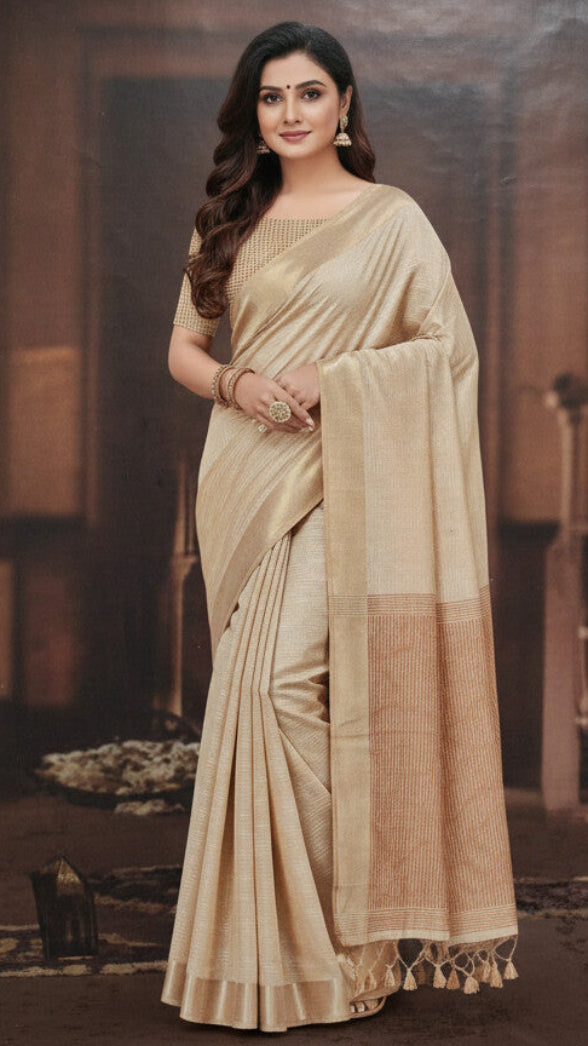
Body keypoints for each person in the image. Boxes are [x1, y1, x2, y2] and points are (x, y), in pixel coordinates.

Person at [160, 20, 519, 1033]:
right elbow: (184, 348)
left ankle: (342, 948)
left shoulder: (393, 219)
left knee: (284, 687)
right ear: (254, 112)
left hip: (347, 473)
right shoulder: (230, 214)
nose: (290, 113)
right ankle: (283, 952)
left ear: (346, 104)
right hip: (246, 472)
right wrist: (236, 379)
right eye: (272, 97)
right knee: (253, 693)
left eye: (309, 93)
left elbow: (446, 351)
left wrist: (336, 376)